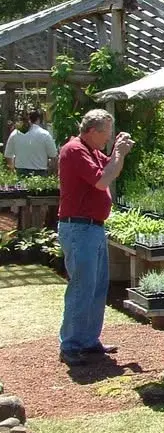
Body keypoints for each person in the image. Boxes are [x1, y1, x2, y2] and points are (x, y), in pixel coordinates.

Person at [58, 109, 134, 366]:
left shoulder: (91, 151)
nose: (108, 138)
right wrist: (119, 153)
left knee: (97, 286)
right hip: (79, 228)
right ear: (92, 131)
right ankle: (70, 344)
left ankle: (89, 341)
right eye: (106, 134)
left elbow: (112, 171)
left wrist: (117, 153)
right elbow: (102, 181)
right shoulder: (75, 150)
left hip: (92, 228)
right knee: (81, 287)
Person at [5, 109, 58, 177]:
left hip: (20, 172)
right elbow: (53, 156)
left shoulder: (15, 133)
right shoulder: (45, 134)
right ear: (38, 119)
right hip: (40, 173)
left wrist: (12, 171)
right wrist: (53, 173)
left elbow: (8, 155)